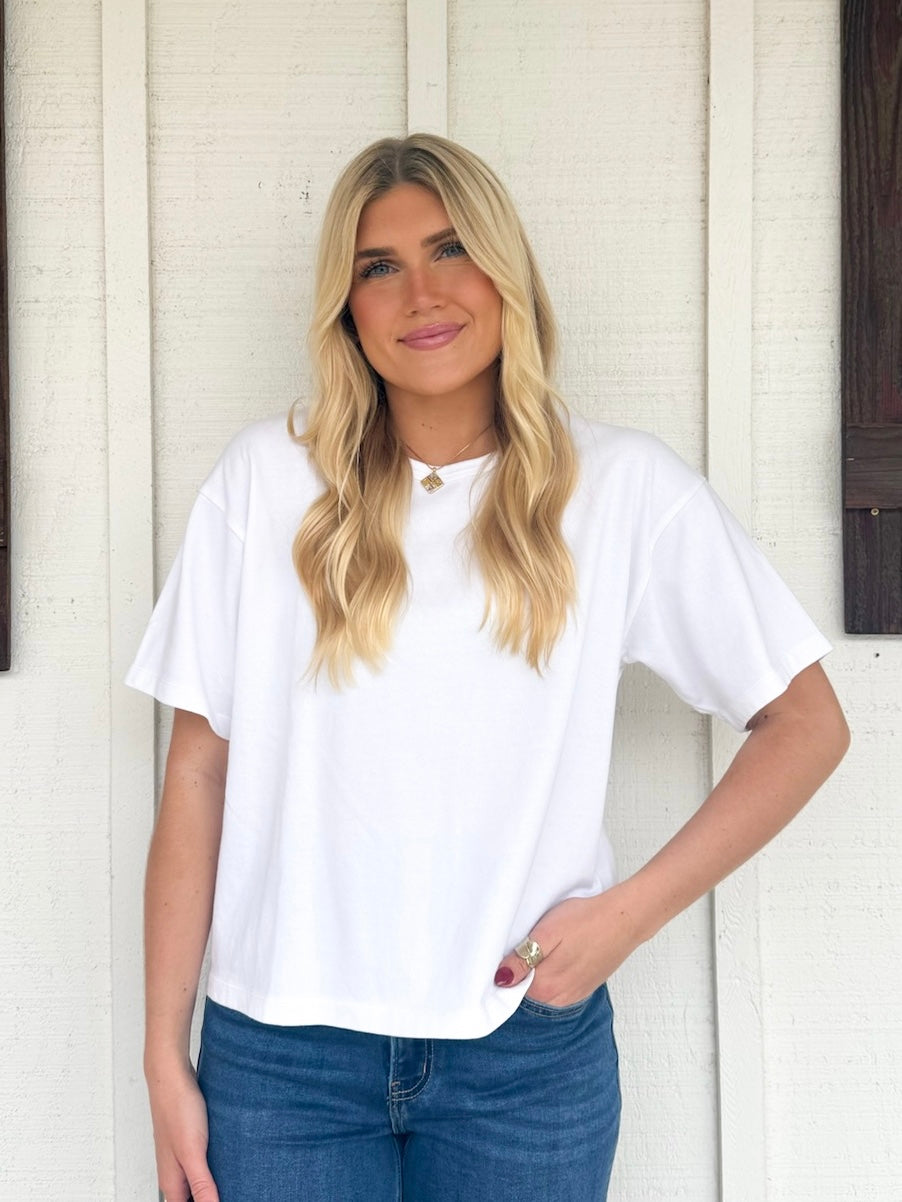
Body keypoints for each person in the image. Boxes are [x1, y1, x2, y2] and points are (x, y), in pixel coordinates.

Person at [129, 134, 849, 1202]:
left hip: (525, 1058)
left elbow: (807, 723)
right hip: (281, 1061)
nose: (421, 293)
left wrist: (627, 915)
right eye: (379, 266)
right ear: (346, 306)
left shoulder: (621, 491)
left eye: (452, 249)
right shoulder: (264, 485)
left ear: (506, 270)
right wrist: (162, 1050)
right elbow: (197, 769)